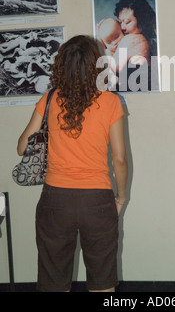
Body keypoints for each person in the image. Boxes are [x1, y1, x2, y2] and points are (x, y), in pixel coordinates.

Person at [17, 35, 128, 292]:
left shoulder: (50, 99)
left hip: (55, 200)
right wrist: (121, 198)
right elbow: (120, 159)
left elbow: (23, 147)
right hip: (97, 201)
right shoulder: (110, 102)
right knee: (102, 284)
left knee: (53, 283)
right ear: (97, 65)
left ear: (62, 65)